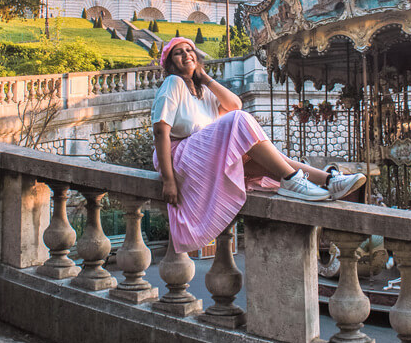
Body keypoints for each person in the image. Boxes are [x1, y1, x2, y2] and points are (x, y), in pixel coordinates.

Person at [152, 37, 365, 254]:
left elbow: (235, 103)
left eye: (190, 50)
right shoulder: (173, 83)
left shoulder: (204, 91)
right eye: (179, 52)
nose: (187, 54)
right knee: (239, 120)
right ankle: (292, 180)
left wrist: (204, 77)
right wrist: (169, 180)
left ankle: (328, 181)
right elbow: (160, 131)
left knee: (270, 158)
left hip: (203, 155)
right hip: (180, 156)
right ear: (170, 62)